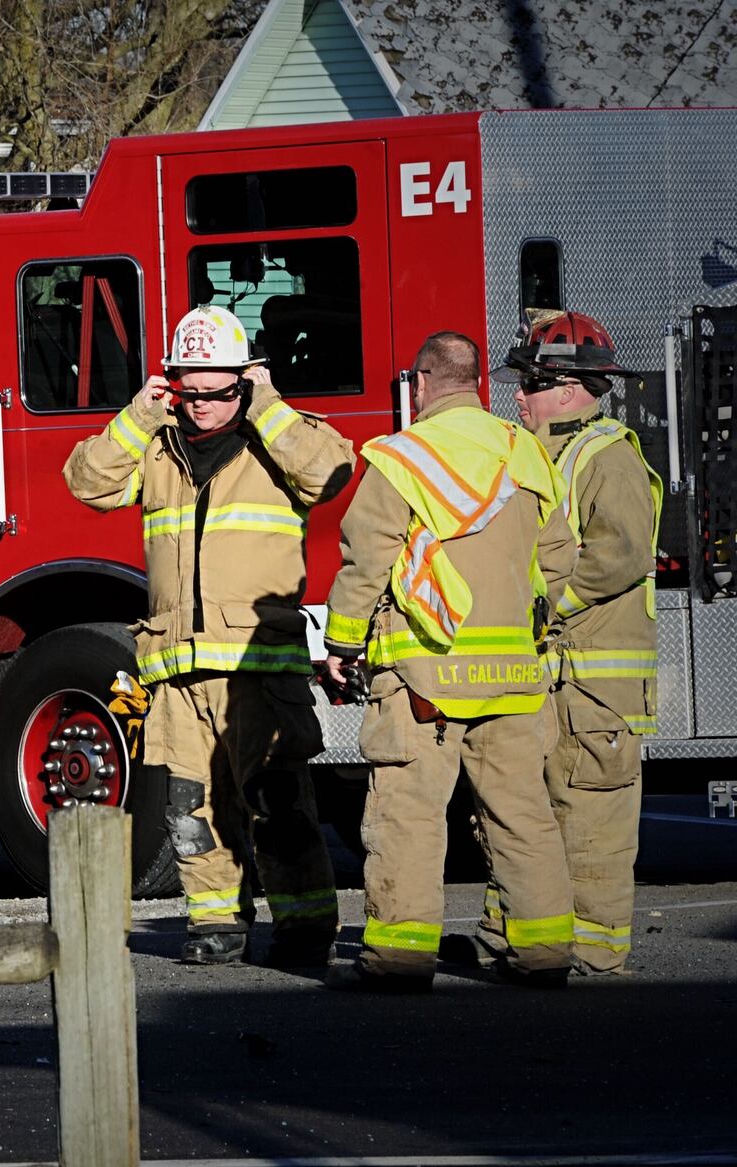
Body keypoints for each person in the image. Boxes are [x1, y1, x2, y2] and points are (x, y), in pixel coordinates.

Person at [64, 305, 354, 968]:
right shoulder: (158, 444)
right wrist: (139, 414)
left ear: (245, 383)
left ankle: (305, 923)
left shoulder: (274, 437)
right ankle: (215, 921)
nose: (201, 406)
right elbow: (86, 480)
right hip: (174, 667)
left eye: (218, 392)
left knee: (275, 802)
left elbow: (331, 472)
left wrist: (268, 405)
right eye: (188, 391)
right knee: (188, 809)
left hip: (257, 665)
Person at [321, 331, 577, 993]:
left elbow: (365, 561)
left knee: (408, 812)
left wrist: (343, 644)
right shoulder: (525, 452)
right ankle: (545, 949)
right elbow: (559, 559)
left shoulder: (402, 458)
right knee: (523, 812)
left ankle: (401, 957)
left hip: (424, 676)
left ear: (424, 382)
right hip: (517, 676)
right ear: (477, 383)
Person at [446, 311, 659, 976]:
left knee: (590, 821)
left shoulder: (609, 456)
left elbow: (620, 552)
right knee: (525, 812)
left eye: (532, 382)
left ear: (568, 388)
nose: (518, 394)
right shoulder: (545, 454)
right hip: (551, 680)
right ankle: (514, 935)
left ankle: (593, 958)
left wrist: (545, 604)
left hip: (596, 692)